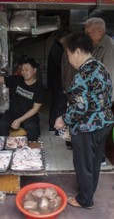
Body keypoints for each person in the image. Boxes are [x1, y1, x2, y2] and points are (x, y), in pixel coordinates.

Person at [54, 31, 114, 208]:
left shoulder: (82, 75)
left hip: (88, 128)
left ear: (78, 51)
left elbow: (80, 108)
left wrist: (63, 119)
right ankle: (89, 190)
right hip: (105, 123)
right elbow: (109, 97)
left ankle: (85, 200)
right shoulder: (101, 68)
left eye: (69, 54)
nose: (69, 58)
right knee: (94, 162)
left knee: (83, 164)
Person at [0, 57, 45, 141]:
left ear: (34, 70)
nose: (24, 72)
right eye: (22, 70)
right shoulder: (16, 80)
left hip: (29, 115)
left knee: (32, 127)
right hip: (13, 112)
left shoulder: (39, 88)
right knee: (2, 124)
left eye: (26, 70)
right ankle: (4, 147)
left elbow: (35, 109)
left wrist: (19, 120)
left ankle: (32, 150)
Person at [85, 17, 114, 165]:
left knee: (99, 127)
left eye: (88, 32)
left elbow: (107, 78)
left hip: (102, 98)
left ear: (99, 31)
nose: (86, 35)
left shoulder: (108, 47)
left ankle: (100, 158)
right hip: (94, 97)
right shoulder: (96, 45)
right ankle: (96, 156)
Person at [47, 30, 67, 135]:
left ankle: (52, 126)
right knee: (60, 106)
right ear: (62, 39)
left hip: (55, 82)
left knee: (56, 105)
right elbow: (60, 67)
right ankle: (57, 129)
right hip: (58, 82)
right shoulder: (57, 49)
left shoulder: (56, 47)